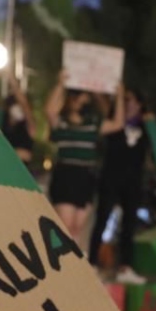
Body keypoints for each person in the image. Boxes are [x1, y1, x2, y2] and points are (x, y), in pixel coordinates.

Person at [44, 72, 126, 243]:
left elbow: (118, 124)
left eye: (82, 97)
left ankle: (70, 265)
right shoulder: (62, 123)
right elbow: (49, 110)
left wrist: (119, 96)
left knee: (77, 229)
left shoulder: (92, 125)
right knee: (64, 226)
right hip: (66, 174)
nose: (79, 100)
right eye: (76, 97)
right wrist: (60, 84)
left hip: (85, 177)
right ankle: (60, 263)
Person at [88, 88, 151, 284]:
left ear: (140, 104)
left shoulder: (146, 126)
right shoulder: (115, 121)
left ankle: (125, 267)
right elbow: (101, 101)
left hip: (133, 180)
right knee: (102, 219)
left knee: (129, 224)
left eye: (131, 99)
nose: (128, 102)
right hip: (111, 177)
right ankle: (92, 264)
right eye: (125, 100)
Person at [0, 74, 38, 163]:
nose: (18, 108)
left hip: (17, 173)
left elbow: (24, 104)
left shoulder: (29, 126)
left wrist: (10, 75)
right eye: (14, 104)